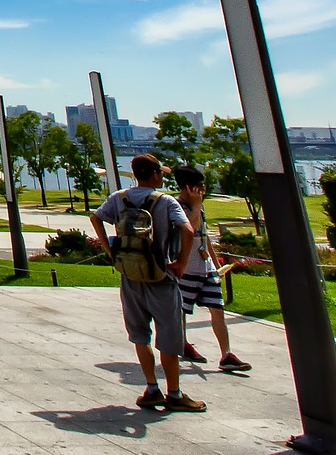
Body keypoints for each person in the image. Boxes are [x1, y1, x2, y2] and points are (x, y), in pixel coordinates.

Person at [90, 154, 205, 413]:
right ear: (154, 175)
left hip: (130, 274)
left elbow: (96, 218)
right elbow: (187, 230)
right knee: (168, 335)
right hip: (160, 275)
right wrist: (182, 263)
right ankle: (174, 393)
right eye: (160, 173)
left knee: (139, 334)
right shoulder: (165, 201)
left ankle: (151, 389)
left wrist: (111, 251)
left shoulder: (118, 198)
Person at [171, 165, 251, 373]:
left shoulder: (201, 207)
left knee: (217, 309)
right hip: (187, 268)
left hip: (205, 268)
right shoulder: (177, 207)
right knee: (182, 310)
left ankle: (226, 354)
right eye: (199, 186)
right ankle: (183, 343)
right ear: (188, 188)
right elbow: (189, 230)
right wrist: (196, 207)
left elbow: (204, 239)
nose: (203, 191)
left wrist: (215, 265)